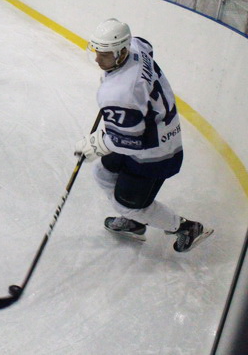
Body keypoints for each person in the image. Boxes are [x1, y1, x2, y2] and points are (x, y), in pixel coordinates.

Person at [75, 18, 213, 253]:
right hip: (152, 131)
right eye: (97, 52)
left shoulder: (120, 93)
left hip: (155, 152)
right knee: (103, 172)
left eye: (105, 55)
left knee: (129, 205)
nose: (98, 59)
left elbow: (131, 141)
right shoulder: (135, 47)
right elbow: (145, 44)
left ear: (121, 52)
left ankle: (186, 228)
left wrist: (99, 144)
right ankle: (135, 221)